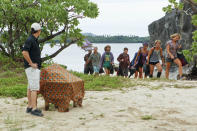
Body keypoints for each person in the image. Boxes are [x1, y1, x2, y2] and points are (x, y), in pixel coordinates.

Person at [22, 23, 43, 117]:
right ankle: (34, 109)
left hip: (32, 68)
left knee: (30, 88)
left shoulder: (34, 39)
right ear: (38, 31)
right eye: (40, 30)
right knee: (34, 88)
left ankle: (29, 106)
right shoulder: (30, 39)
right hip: (32, 68)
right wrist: (31, 63)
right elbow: (24, 52)